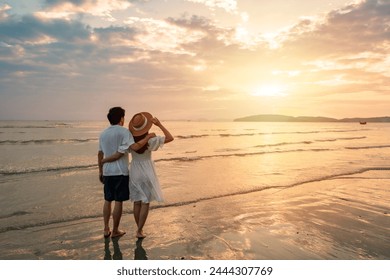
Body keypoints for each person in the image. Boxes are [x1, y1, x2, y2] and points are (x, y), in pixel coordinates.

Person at [102, 112, 174, 239]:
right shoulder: (151, 140)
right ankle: (139, 230)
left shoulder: (130, 140)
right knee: (145, 202)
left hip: (134, 169)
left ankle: (137, 229)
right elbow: (170, 137)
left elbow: (119, 152)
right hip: (147, 169)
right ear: (147, 126)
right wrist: (160, 125)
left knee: (137, 202)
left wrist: (104, 161)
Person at [98, 107, 155, 239]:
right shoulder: (124, 132)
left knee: (107, 200)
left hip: (107, 172)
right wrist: (147, 137)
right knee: (118, 201)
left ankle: (106, 229)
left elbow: (100, 153)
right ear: (121, 118)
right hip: (120, 172)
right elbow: (133, 147)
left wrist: (100, 170)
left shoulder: (103, 133)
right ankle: (115, 230)